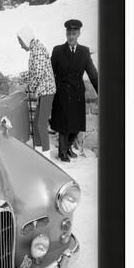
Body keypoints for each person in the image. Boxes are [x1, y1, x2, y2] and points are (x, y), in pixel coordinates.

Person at [50, 19, 98, 162]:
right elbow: (50, 72)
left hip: (77, 93)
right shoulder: (58, 50)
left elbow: (93, 73)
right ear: (66, 33)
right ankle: (62, 152)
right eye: (69, 33)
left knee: (76, 125)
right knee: (64, 125)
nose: (71, 36)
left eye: (74, 33)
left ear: (79, 34)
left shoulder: (84, 51)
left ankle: (68, 147)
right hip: (62, 93)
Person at [17, 26, 56, 158]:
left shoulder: (38, 50)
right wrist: (26, 77)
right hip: (43, 91)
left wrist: (30, 88)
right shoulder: (35, 49)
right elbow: (35, 71)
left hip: (47, 91)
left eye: (21, 42)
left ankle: (46, 156)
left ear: (26, 39)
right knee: (36, 123)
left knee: (41, 124)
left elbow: (38, 74)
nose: (21, 46)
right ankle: (39, 154)